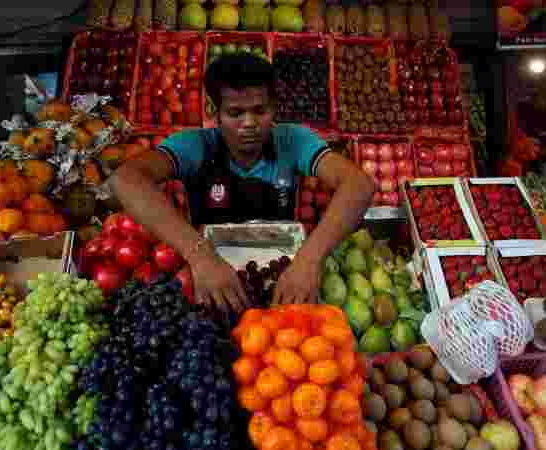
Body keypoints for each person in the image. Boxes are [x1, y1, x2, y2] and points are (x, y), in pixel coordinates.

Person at [110, 53, 374, 312]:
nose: (249, 123)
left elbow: (359, 185)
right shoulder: (196, 145)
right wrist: (200, 256)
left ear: (274, 108)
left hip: (281, 274)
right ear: (215, 112)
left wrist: (310, 259)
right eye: (235, 113)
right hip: (211, 275)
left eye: (260, 111)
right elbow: (126, 179)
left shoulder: (293, 141)